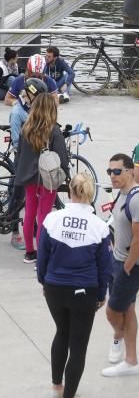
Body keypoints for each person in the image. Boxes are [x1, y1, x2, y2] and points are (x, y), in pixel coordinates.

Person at [37, 173, 112, 398]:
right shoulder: (99, 227)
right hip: (84, 291)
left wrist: (44, 281)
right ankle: (69, 395)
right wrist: (100, 295)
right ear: (90, 194)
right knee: (78, 345)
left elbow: (42, 257)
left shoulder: (52, 219)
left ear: (69, 191)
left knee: (62, 333)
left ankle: (56, 388)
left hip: (55, 287)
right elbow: (104, 268)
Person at [13, 92, 69, 263]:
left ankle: (30, 252)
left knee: (29, 213)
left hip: (28, 178)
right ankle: (43, 254)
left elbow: (20, 153)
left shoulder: (26, 128)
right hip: (47, 178)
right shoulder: (54, 131)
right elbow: (62, 159)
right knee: (44, 214)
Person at [101, 153, 139, 378]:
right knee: (127, 309)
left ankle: (118, 338)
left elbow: (138, 238)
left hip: (128, 266)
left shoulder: (135, 198)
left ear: (129, 171)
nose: (112, 176)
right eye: (109, 171)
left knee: (112, 311)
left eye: (117, 171)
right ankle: (131, 360)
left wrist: (128, 264)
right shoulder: (121, 195)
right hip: (116, 260)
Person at [5, 54, 58, 150]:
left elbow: (55, 101)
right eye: (33, 75)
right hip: (25, 111)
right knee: (15, 113)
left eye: (39, 76)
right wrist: (18, 101)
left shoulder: (49, 81)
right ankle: (17, 146)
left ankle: (45, 143)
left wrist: (45, 103)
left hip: (41, 112)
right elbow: (7, 100)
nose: (35, 77)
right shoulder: (19, 81)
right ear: (28, 71)